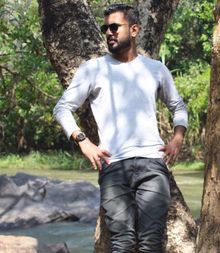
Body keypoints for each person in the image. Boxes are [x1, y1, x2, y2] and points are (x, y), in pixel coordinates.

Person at [53, 3, 188, 253]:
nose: (108, 32)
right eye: (105, 28)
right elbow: (62, 108)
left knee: (151, 243)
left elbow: (178, 106)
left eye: (114, 27)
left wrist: (178, 138)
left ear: (134, 29)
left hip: (152, 163)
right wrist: (82, 140)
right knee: (122, 243)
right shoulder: (93, 69)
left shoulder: (155, 69)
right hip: (113, 166)